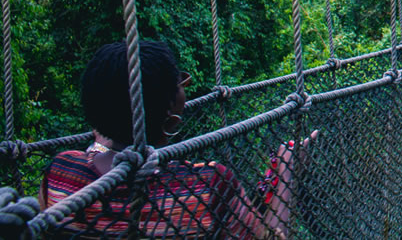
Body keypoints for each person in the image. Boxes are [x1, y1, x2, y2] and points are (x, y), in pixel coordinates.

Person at [39, 41, 316, 238]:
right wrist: (287, 172)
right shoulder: (207, 186)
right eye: (179, 84)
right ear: (170, 123)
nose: (186, 87)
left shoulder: (60, 174)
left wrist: (105, 137)